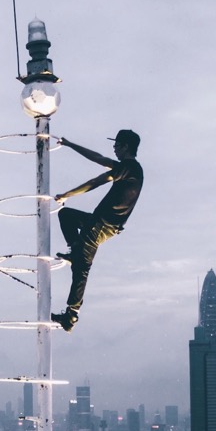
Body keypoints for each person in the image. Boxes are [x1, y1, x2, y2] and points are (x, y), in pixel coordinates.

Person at [50, 129, 143, 331]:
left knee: (82, 268)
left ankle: (71, 316)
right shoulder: (130, 168)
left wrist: (67, 194)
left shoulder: (130, 169)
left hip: (101, 225)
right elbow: (98, 158)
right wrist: (69, 144)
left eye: (117, 145)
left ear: (126, 146)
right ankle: (75, 250)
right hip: (100, 223)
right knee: (66, 215)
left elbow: (96, 181)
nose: (114, 148)